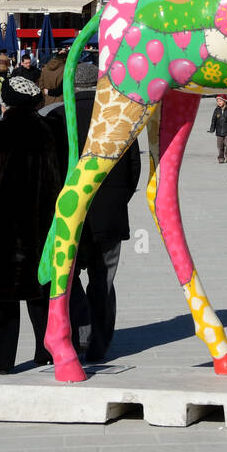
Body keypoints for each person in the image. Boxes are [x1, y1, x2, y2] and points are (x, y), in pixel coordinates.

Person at [0, 75, 67, 373]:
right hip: (42, 228)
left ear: (7, 101)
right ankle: (49, 351)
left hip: (0, 231)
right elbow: (59, 184)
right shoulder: (52, 132)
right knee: (42, 295)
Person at [43, 62, 141, 362]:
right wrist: (118, 199)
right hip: (109, 214)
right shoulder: (119, 116)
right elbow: (134, 168)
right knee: (103, 280)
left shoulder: (56, 117)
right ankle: (100, 342)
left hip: (69, 214)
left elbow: (49, 170)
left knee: (67, 281)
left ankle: (79, 335)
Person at [210, 93, 227, 163]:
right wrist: (212, 128)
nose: (219, 103)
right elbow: (213, 120)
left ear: (224, 101)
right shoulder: (216, 110)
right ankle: (221, 157)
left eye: (220, 101)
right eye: (217, 101)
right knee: (220, 146)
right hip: (219, 132)